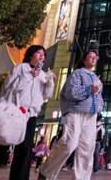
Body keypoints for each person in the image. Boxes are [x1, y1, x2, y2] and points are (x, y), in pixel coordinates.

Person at [0, 45, 56, 180]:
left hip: (30, 115)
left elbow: (45, 95)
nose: (42, 56)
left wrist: (50, 83)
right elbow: (9, 87)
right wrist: (29, 76)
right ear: (30, 55)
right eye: (38, 53)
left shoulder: (42, 74)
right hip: (13, 111)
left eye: (43, 54)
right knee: (1, 144)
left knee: (24, 150)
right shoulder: (21, 68)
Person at [38, 50, 103, 180]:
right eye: (90, 56)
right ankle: (47, 172)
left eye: (95, 57)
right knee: (69, 143)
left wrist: (99, 106)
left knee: (87, 149)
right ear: (84, 59)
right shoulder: (77, 74)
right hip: (75, 112)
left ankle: (81, 178)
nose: (93, 59)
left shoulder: (96, 78)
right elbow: (70, 92)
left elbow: (99, 97)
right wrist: (89, 89)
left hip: (91, 115)